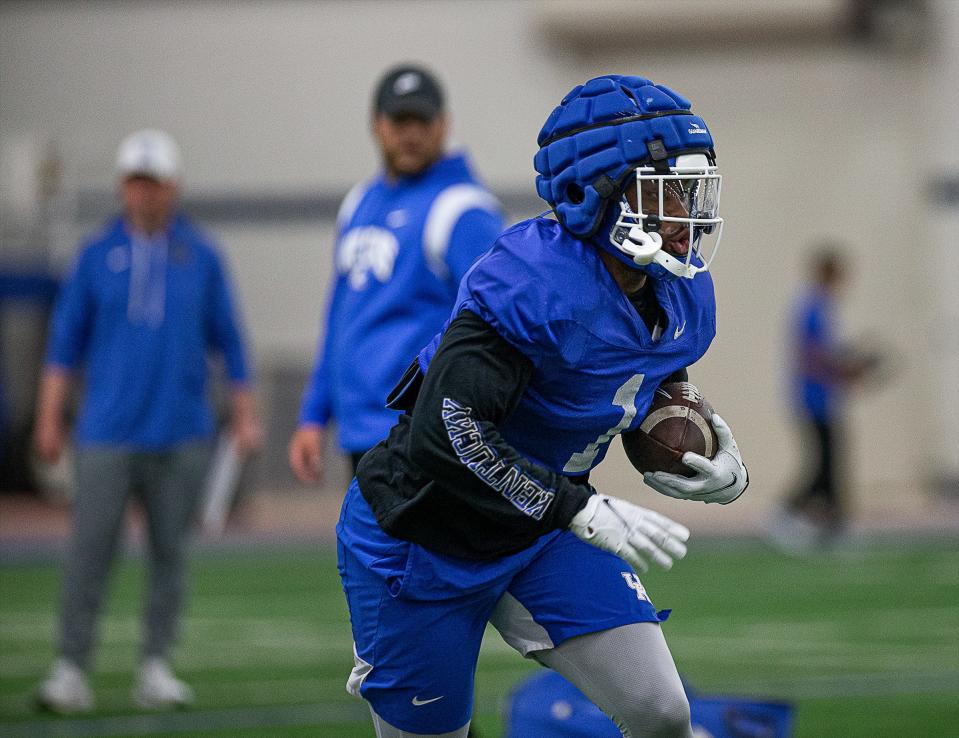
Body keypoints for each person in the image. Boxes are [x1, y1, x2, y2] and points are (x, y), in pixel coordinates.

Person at [336, 75, 749, 738]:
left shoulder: (677, 289)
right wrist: (578, 506)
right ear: (595, 194)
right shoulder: (533, 283)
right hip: (423, 533)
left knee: (661, 710)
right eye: (663, 190)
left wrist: (696, 427)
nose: (684, 210)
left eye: (689, 188)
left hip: (536, 532)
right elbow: (450, 433)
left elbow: (657, 369)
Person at [33, 129, 261, 713]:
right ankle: (71, 667)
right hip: (105, 433)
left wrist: (245, 413)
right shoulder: (94, 254)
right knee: (89, 553)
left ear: (173, 186)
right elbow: (63, 345)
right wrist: (48, 419)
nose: (145, 193)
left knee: (170, 557)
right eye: (136, 181)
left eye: (154, 181)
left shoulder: (202, 256)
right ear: (122, 186)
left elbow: (231, 341)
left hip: (181, 432)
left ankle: (156, 665)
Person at [288, 64, 502, 483]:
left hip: (421, 435)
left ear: (443, 124)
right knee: (366, 549)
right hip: (359, 432)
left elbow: (496, 322)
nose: (410, 134)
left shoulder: (461, 209)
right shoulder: (359, 202)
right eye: (398, 121)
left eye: (421, 121)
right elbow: (340, 316)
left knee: (415, 551)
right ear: (376, 124)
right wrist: (314, 414)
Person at [779, 246, 879, 543]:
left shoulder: (821, 306)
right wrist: (848, 370)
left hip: (823, 397)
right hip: (813, 398)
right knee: (824, 462)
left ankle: (834, 522)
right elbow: (814, 357)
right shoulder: (812, 307)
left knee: (830, 460)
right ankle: (789, 513)